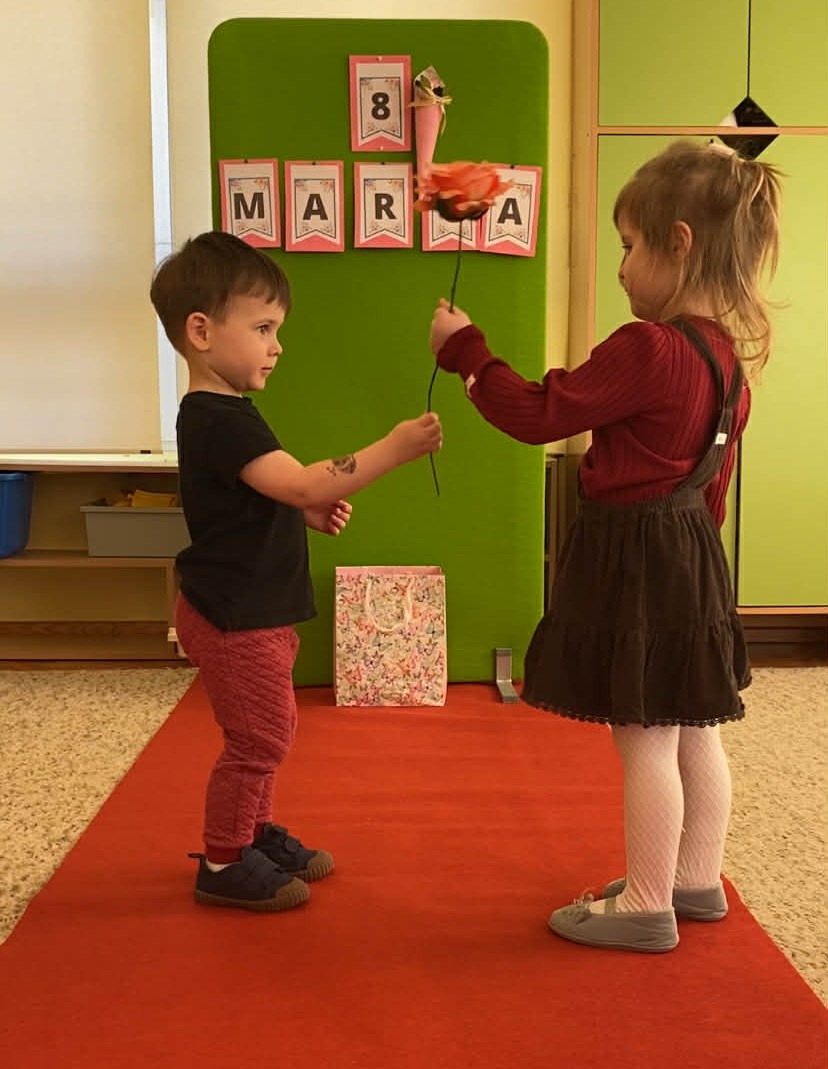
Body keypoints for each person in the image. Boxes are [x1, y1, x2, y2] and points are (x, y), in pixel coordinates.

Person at [428, 141, 782, 952]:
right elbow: (714, 484)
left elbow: (540, 413)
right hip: (694, 556)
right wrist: (697, 571)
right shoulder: (728, 363)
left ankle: (647, 904)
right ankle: (695, 879)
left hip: (640, 558)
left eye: (629, 246)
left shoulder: (649, 348)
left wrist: (467, 352)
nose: (621, 268)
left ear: (679, 244)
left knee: (645, 730)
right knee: (695, 725)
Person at [150, 231, 442, 913]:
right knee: (259, 737)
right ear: (201, 332)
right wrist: (394, 448)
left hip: (258, 608)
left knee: (268, 731)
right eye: (263, 328)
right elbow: (306, 481)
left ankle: (253, 834)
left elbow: (256, 495)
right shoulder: (218, 419)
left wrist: (301, 515)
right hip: (235, 616)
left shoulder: (227, 414)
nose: (277, 345)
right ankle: (224, 859)